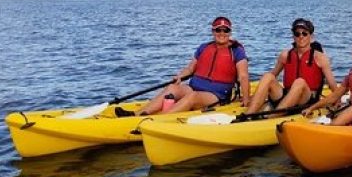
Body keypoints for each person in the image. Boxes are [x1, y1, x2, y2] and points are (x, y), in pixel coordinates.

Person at [115, 16, 250, 116]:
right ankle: (137, 114)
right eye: (218, 30)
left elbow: (243, 76)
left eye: (225, 30)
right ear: (213, 31)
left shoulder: (236, 51)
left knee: (193, 97)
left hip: (217, 95)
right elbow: (190, 69)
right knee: (173, 88)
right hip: (193, 87)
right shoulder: (204, 48)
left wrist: (246, 98)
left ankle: (159, 120)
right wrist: (180, 76)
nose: (222, 33)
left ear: (230, 32)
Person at [244, 18, 338, 114]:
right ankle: (248, 115)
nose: (301, 37)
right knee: (268, 76)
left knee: (299, 82)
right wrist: (256, 95)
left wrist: (337, 102)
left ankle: (272, 117)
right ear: (293, 37)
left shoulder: (320, 58)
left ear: (311, 36)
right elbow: (272, 77)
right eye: (297, 34)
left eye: (304, 33)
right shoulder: (285, 55)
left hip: (306, 100)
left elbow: (333, 86)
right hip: (286, 96)